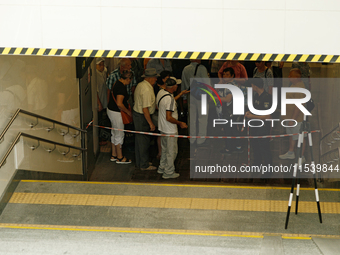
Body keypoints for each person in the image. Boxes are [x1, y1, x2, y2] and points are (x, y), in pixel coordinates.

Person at [156, 77, 188, 179]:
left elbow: (166, 104)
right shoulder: (169, 99)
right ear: (173, 87)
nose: (177, 86)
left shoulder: (161, 93)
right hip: (170, 129)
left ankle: (162, 167)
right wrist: (180, 123)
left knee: (165, 150)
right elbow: (169, 117)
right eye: (176, 85)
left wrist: (180, 94)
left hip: (162, 127)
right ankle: (168, 172)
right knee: (172, 152)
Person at [133, 68, 159, 170]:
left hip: (137, 115)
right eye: (155, 77)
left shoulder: (141, 84)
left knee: (139, 141)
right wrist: (151, 124)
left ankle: (140, 162)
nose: (156, 79)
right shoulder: (147, 89)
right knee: (144, 142)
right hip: (142, 117)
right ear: (150, 78)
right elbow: (145, 109)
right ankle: (144, 165)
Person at [279, 69, 307, 163]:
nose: (289, 77)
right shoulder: (294, 85)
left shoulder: (299, 88)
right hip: (290, 117)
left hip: (296, 119)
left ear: (296, 77)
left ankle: (301, 157)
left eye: (290, 76)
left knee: (300, 137)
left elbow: (298, 106)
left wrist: (293, 119)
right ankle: (291, 152)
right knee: (291, 135)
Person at [106, 70, 133, 164]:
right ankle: (120, 157)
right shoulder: (121, 88)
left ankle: (114, 155)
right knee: (119, 134)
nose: (130, 82)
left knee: (114, 133)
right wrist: (128, 112)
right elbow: (119, 104)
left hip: (110, 110)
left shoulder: (116, 83)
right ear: (128, 79)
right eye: (130, 80)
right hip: (117, 113)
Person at [181, 60, 210, 146]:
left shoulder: (185, 69)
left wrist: (184, 97)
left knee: (192, 118)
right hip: (202, 96)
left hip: (191, 95)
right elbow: (206, 83)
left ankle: (192, 138)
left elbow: (184, 83)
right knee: (203, 118)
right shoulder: (202, 68)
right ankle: (201, 139)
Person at [217, 67, 246, 155]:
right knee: (233, 129)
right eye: (224, 74)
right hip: (234, 111)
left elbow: (228, 99)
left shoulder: (229, 86)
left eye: (227, 75)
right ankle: (238, 146)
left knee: (228, 130)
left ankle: (229, 148)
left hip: (229, 112)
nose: (225, 76)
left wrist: (215, 98)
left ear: (232, 75)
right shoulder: (233, 84)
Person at [245, 78, 273, 166]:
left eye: (252, 85)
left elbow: (267, 116)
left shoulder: (267, 97)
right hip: (254, 126)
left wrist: (252, 116)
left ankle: (268, 169)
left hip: (263, 127)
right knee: (255, 146)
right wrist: (250, 112)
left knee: (264, 148)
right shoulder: (256, 96)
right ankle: (257, 164)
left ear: (255, 86)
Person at [94, 58, 109, 145]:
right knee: (99, 120)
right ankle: (99, 140)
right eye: (100, 65)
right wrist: (99, 104)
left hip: (104, 101)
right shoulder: (95, 75)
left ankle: (103, 137)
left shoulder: (103, 72)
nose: (102, 66)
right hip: (99, 103)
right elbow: (95, 91)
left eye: (103, 64)